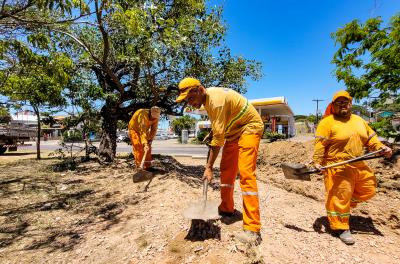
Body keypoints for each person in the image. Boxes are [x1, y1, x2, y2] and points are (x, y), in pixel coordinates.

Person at [176, 77, 264, 245]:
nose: (190, 102)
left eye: (190, 97)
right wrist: (214, 132)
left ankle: (253, 230)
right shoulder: (208, 101)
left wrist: (208, 167)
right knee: (226, 170)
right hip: (233, 131)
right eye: (187, 99)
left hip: (249, 126)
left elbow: (218, 141)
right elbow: (220, 126)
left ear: (200, 90)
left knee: (245, 173)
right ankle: (226, 208)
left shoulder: (215, 101)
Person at [313, 90, 392, 245]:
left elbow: (371, 139)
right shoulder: (327, 122)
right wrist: (317, 162)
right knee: (341, 196)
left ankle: (343, 205)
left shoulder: (359, 120)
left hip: (357, 163)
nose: (343, 105)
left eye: (346, 102)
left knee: (369, 187)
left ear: (350, 103)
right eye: (339, 102)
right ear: (333, 105)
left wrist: (382, 147)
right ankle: (340, 227)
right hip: (337, 166)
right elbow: (320, 145)